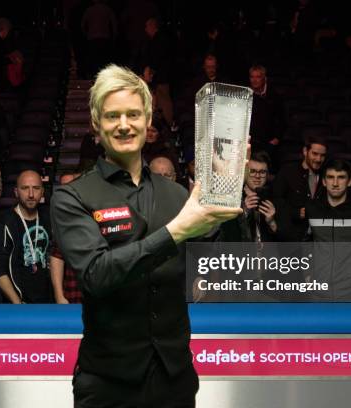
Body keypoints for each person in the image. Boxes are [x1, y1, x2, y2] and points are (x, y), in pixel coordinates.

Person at [51, 64, 242, 406]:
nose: (124, 125)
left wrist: (227, 184)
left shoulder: (178, 194)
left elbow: (214, 265)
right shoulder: (73, 196)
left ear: (148, 119)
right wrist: (176, 231)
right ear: (96, 124)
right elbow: (97, 274)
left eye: (133, 114)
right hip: (108, 382)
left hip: (175, 378)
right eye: (113, 116)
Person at [305, 159, 351, 300]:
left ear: (349, 181)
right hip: (318, 291)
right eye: (330, 177)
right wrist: (308, 274)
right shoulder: (312, 209)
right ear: (324, 182)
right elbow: (305, 242)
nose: (335, 183)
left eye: (341, 177)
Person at [0, 170, 53, 303]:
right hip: (18, 302)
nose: (31, 194)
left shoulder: (50, 218)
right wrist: (17, 303)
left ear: (42, 191)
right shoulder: (3, 223)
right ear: (16, 191)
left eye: (36, 188)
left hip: (48, 302)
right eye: (25, 188)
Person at [273, 136, 327, 241]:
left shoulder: (326, 175)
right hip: (292, 239)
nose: (318, 159)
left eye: (322, 156)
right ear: (305, 151)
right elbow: (276, 201)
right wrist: (295, 212)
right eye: (315, 154)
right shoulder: (287, 172)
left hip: (317, 239)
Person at [50, 170, 82, 304]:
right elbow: (57, 257)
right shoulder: (64, 219)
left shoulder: (104, 212)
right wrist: (59, 295)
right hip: (72, 295)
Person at [248, 64, 285, 163]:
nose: (254, 80)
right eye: (252, 77)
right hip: (251, 142)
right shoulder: (247, 95)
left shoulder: (275, 96)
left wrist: (276, 139)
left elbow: (282, 119)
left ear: (265, 78)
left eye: (258, 77)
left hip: (269, 144)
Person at [240, 151, 279, 242]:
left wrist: (271, 222)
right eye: (252, 171)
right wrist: (244, 213)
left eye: (262, 172)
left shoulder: (274, 198)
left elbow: (285, 242)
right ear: (245, 172)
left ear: (268, 174)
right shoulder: (236, 197)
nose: (257, 176)